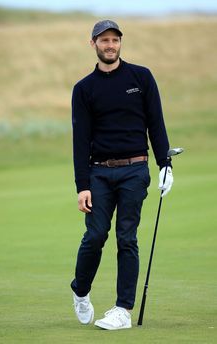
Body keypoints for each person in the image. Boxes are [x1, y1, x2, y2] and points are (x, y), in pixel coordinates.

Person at [70, 19, 173, 330]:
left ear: (120, 43)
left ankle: (122, 310)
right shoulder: (84, 89)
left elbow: (156, 122)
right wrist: (82, 185)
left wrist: (165, 164)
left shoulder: (141, 77)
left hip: (135, 169)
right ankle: (81, 290)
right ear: (93, 45)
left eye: (115, 40)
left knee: (127, 238)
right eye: (104, 41)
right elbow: (80, 140)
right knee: (95, 235)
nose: (110, 45)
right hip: (99, 173)